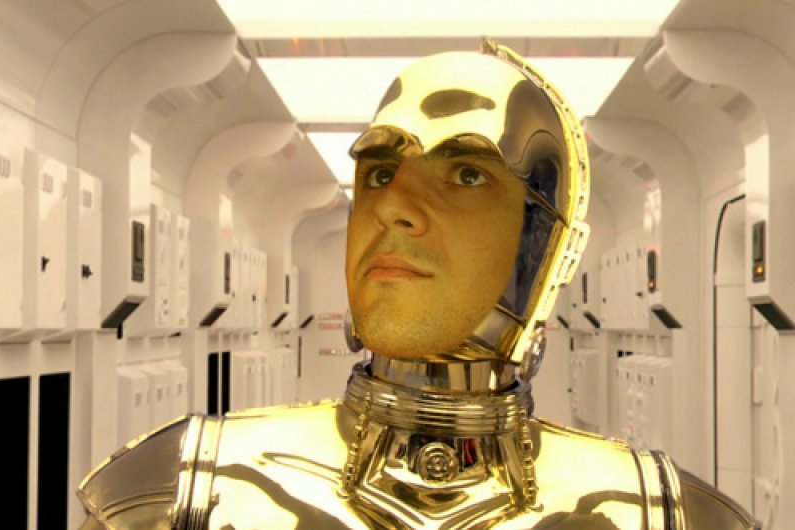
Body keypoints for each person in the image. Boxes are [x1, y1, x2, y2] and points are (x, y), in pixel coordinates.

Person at [78, 41, 759, 530]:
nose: (393, 206)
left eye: (467, 174)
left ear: (543, 245)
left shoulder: (661, 513)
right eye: (379, 172)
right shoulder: (179, 494)